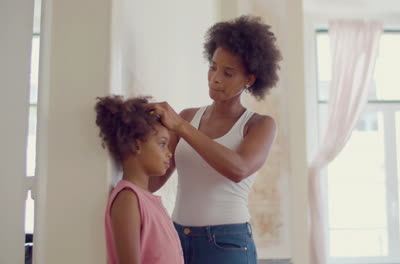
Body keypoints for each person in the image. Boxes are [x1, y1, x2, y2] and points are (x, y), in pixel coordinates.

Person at [148, 15, 282, 264]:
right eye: (213, 67)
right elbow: (153, 181)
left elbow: (238, 169)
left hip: (226, 242)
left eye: (228, 73)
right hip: (176, 236)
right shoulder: (189, 117)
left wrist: (180, 127)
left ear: (249, 79)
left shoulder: (260, 125)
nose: (215, 78)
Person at [95, 96, 184, 264]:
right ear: (137, 145)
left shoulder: (148, 200)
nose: (169, 153)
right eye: (162, 144)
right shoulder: (128, 199)